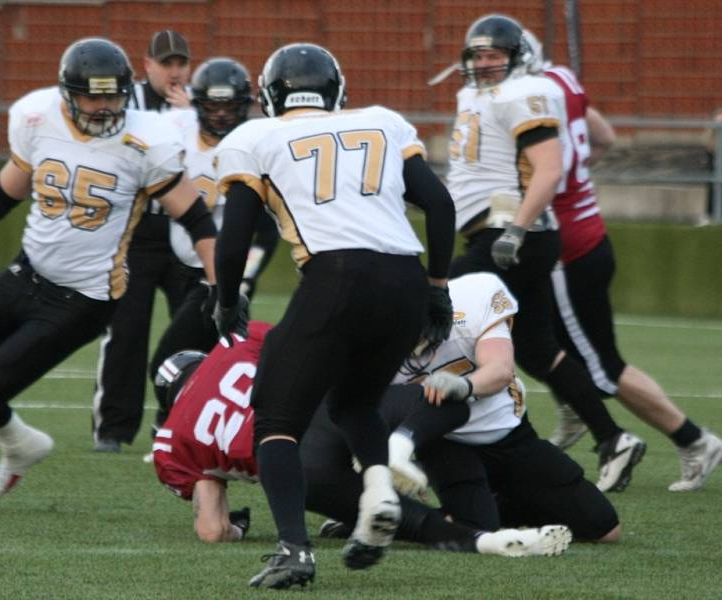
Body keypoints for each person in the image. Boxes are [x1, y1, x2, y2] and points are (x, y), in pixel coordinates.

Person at [0, 37, 216, 512]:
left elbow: (197, 219)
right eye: (91, 96)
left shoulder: (147, 141)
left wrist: (220, 285)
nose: (103, 107)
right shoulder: (39, 118)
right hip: (27, 272)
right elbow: (3, 195)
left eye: (112, 95)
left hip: (85, 298)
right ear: (66, 94)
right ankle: (19, 439)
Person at [212, 43, 456, 588]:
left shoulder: (252, 138)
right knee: (354, 403)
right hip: (405, 279)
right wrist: (436, 289)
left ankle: (294, 550)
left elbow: (233, 244)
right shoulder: (383, 122)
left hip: (336, 276)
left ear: (270, 95)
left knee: (276, 421)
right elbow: (439, 205)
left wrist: (227, 299)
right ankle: (377, 494)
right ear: (336, 90)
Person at [151, 321, 572, 560]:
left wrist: (237, 529)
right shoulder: (231, 345)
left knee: (413, 526)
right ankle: (400, 445)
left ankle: (484, 541)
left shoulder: (170, 442)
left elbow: (212, 530)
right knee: (441, 397)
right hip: (325, 411)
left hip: (298, 469)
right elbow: (302, 344)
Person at [445, 14, 645, 493]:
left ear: (518, 58)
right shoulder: (475, 94)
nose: (485, 63)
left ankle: (403, 449)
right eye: (478, 54)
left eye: (495, 54)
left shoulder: (523, 92)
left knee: (433, 305)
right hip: (497, 233)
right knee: (537, 349)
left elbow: (549, 170)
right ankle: (612, 438)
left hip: (514, 235)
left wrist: (515, 230)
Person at [519, 30, 722, 492]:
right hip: (587, 231)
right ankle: (573, 405)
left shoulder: (530, 94)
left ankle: (694, 440)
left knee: (603, 367)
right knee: (533, 334)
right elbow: (604, 135)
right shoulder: (562, 81)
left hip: (566, 247)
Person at [376, 272, 621, 543]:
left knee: (603, 527)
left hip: (507, 433)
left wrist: (465, 386)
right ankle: (387, 516)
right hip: (446, 443)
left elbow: (500, 369)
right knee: (477, 527)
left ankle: (468, 510)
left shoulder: (475, 296)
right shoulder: (372, 341)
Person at [143, 57, 278, 461]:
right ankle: (180, 429)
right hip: (179, 263)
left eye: (229, 107)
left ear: (245, 106)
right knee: (199, 358)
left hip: (219, 276)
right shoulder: (178, 129)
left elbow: (266, 229)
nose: (220, 114)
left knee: (172, 359)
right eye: (212, 106)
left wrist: (244, 279)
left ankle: (175, 430)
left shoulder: (254, 143)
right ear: (197, 104)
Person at [90, 30, 199, 453]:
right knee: (125, 331)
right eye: (166, 63)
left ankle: (180, 425)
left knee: (192, 332)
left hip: (186, 230)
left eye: (180, 63)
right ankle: (114, 430)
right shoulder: (125, 100)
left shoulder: (200, 104)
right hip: (134, 232)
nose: (174, 72)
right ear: (148, 64)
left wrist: (193, 117)